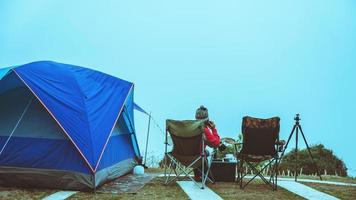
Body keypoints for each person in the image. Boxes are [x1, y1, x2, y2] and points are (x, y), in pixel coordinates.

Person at [194, 105, 225, 181]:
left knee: (204, 152)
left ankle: (197, 176)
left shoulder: (189, 127)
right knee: (206, 152)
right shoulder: (205, 130)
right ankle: (205, 175)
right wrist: (213, 129)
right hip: (197, 156)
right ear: (207, 119)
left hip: (181, 155)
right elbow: (215, 144)